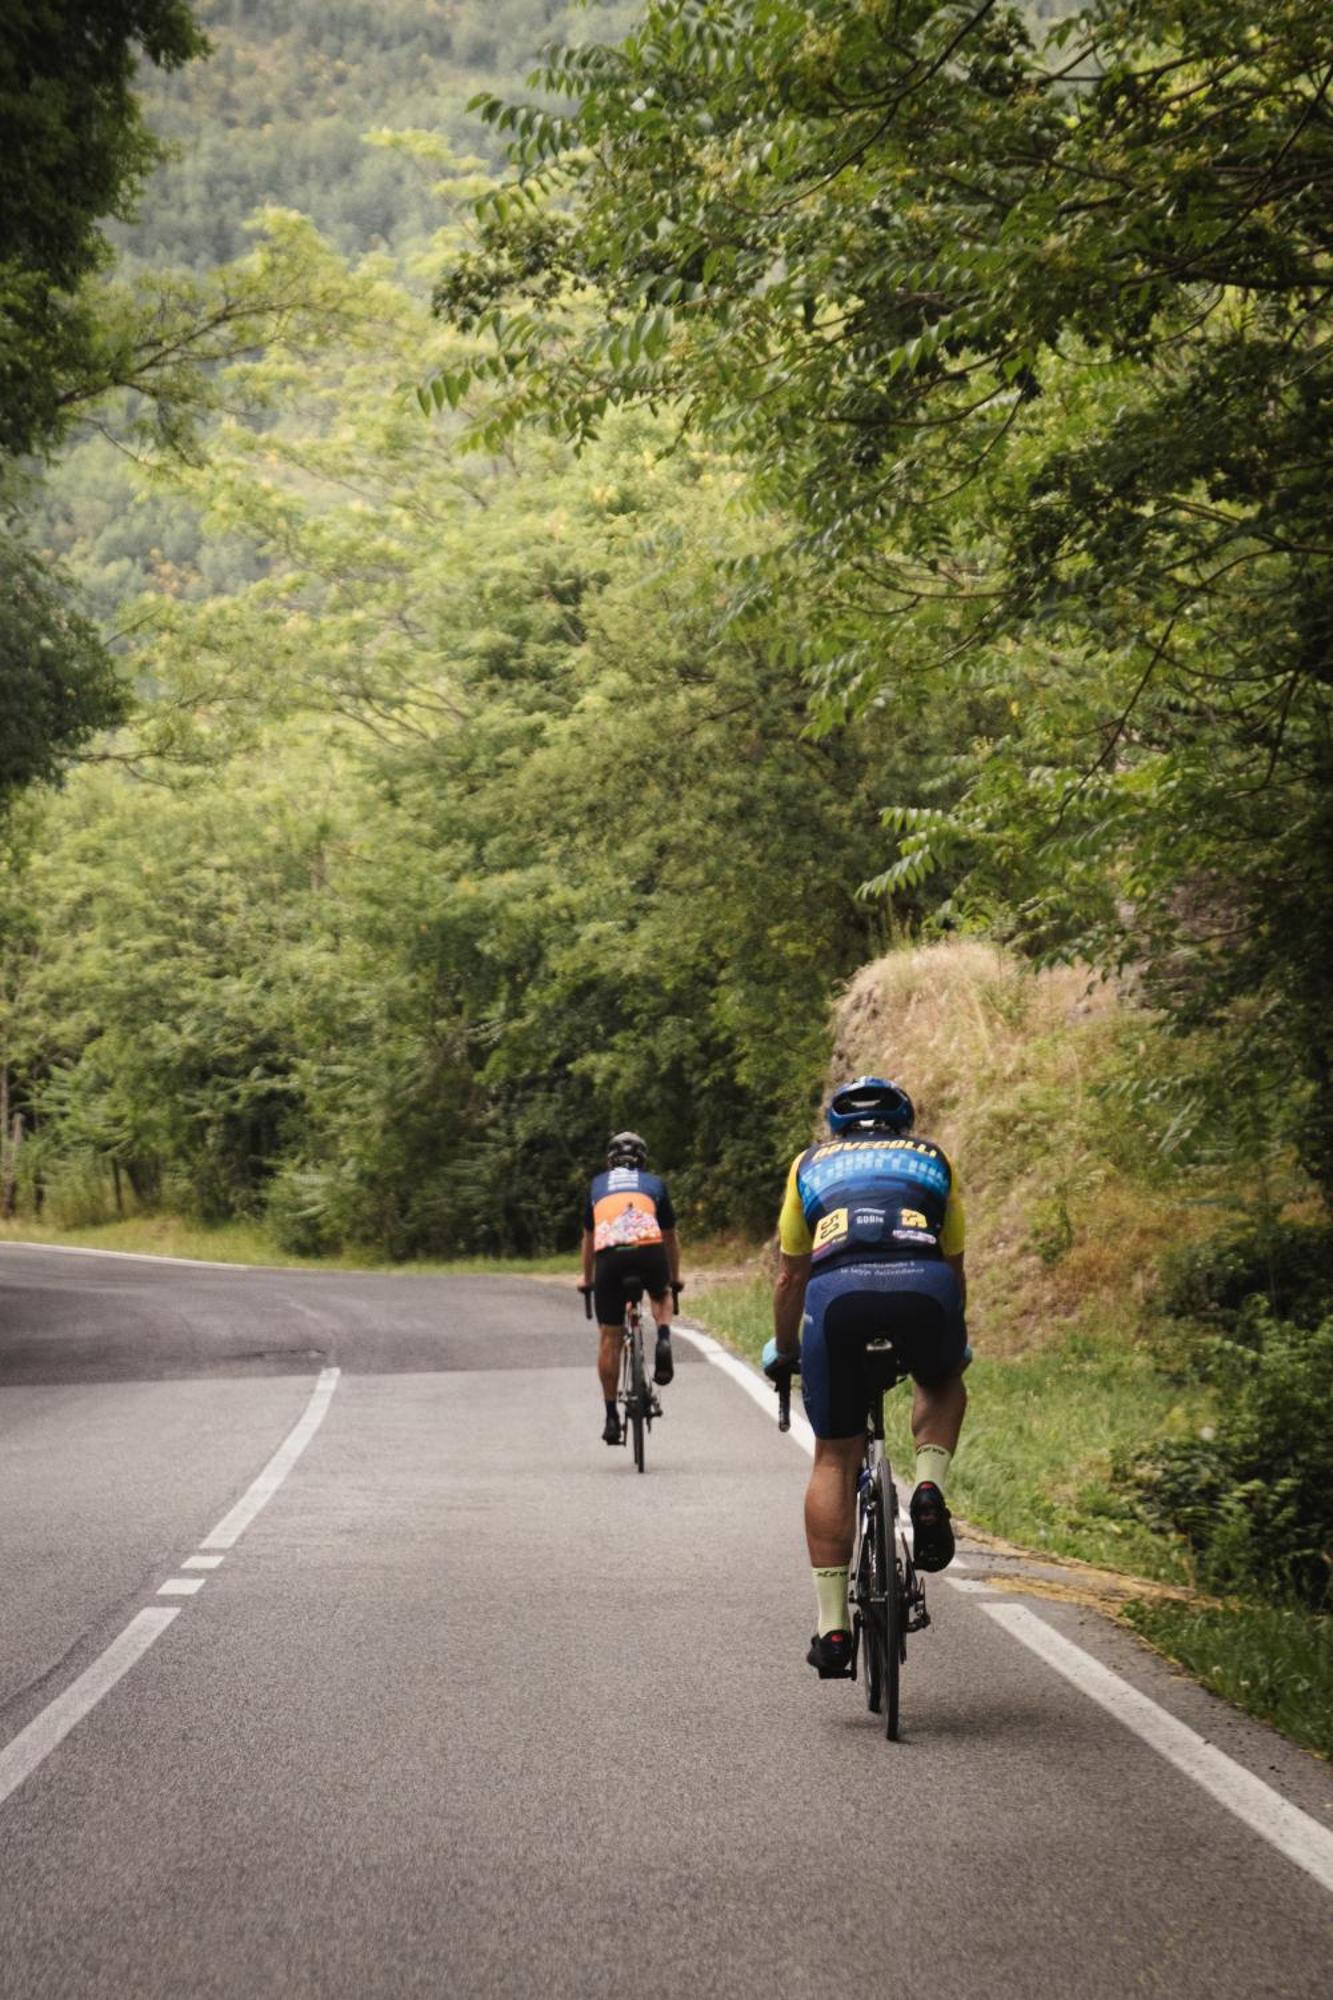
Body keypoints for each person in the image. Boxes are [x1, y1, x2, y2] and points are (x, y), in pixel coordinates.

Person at [762, 1075, 970, 1679]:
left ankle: (832, 1630)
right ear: (902, 1123)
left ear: (838, 1126)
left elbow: (789, 1278)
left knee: (833, 1455)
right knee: (941, 1378)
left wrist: (784, 1348)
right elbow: (953, 1267)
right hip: (923, 1289)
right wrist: (950, 1340)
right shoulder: (934, 1158)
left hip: (838, 1298)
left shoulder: (809, 1164)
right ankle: (928, 1488)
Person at [581, 1131, 682, 1445]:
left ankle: (611, 1417)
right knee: (661, 1292)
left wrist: (587, 1279)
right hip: (648, 1248)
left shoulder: (597, 1186)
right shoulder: (654, 1184)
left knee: (609, 1337)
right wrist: (674, 1278)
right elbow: (669, 1237)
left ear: (610, 1162)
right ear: (643, 1161)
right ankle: (663, 1338)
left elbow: (588, 1240)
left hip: (609, 1256)